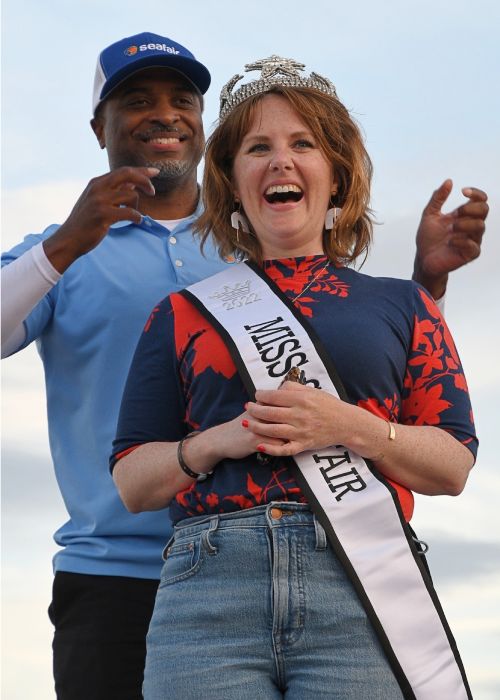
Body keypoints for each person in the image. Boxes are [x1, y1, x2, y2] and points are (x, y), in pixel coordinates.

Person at [1, 35, 487, 700]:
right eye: (136, 101)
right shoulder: (77, 258)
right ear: (99, 127)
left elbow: (374, 370)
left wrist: (423, 285)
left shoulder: (293, 257)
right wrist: (64, 245)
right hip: (127, 571)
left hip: (342, 559)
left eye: (182, 100)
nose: (164, 114)